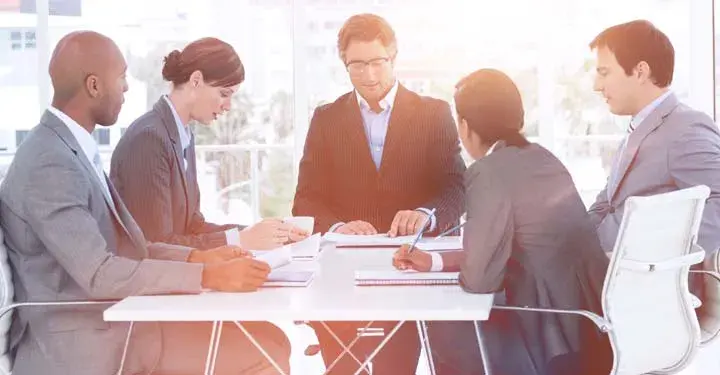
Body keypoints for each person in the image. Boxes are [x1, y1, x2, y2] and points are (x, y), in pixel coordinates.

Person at [0, 31, 289, 375]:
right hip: (85, 340)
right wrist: (208, 274)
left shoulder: (69, 148)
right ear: (94, 85)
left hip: (112, 317)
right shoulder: (49, 161)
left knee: (273, 340)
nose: (126, 88)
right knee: (264, 353)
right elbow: (100, 272)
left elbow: (127, 246)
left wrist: (200, 256)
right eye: (121, 77)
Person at [393, 69, 612, 375]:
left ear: (465, 126)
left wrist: (466, 266)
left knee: (442, 320)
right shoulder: (543, 157)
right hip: (590, 328)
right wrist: (433, 261)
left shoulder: (488, 172)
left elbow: (480, 279)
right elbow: (508, 248)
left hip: (546, 334)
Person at [292, 13, 466, 374]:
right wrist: (338, 226)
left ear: (393, 56)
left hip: (406, 269)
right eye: (356, 65)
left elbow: (456, 186)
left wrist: (425, 213)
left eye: (376, 62)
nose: (368, 75)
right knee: (341, 369)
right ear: (344, 63)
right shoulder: (326, 119)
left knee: (396, 367)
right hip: (341, 273)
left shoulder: (433, 113)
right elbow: (305, 199)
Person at [111, 37, 308, 251]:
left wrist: (265, 234)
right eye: (224, 94)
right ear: (196, 80)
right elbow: (156, 245)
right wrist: (240, 240)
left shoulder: (182, 134)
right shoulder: (149, 139)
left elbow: (193, 227)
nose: (228, 106)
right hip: (153, 279)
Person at [587, 20, 720, 256]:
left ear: (640, 72)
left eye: (604, 73)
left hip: (638, 278)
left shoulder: (686, 130)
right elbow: (605, 207)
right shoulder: (638, 129)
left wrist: (653, 255)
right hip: (600, 267)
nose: (597, 86)